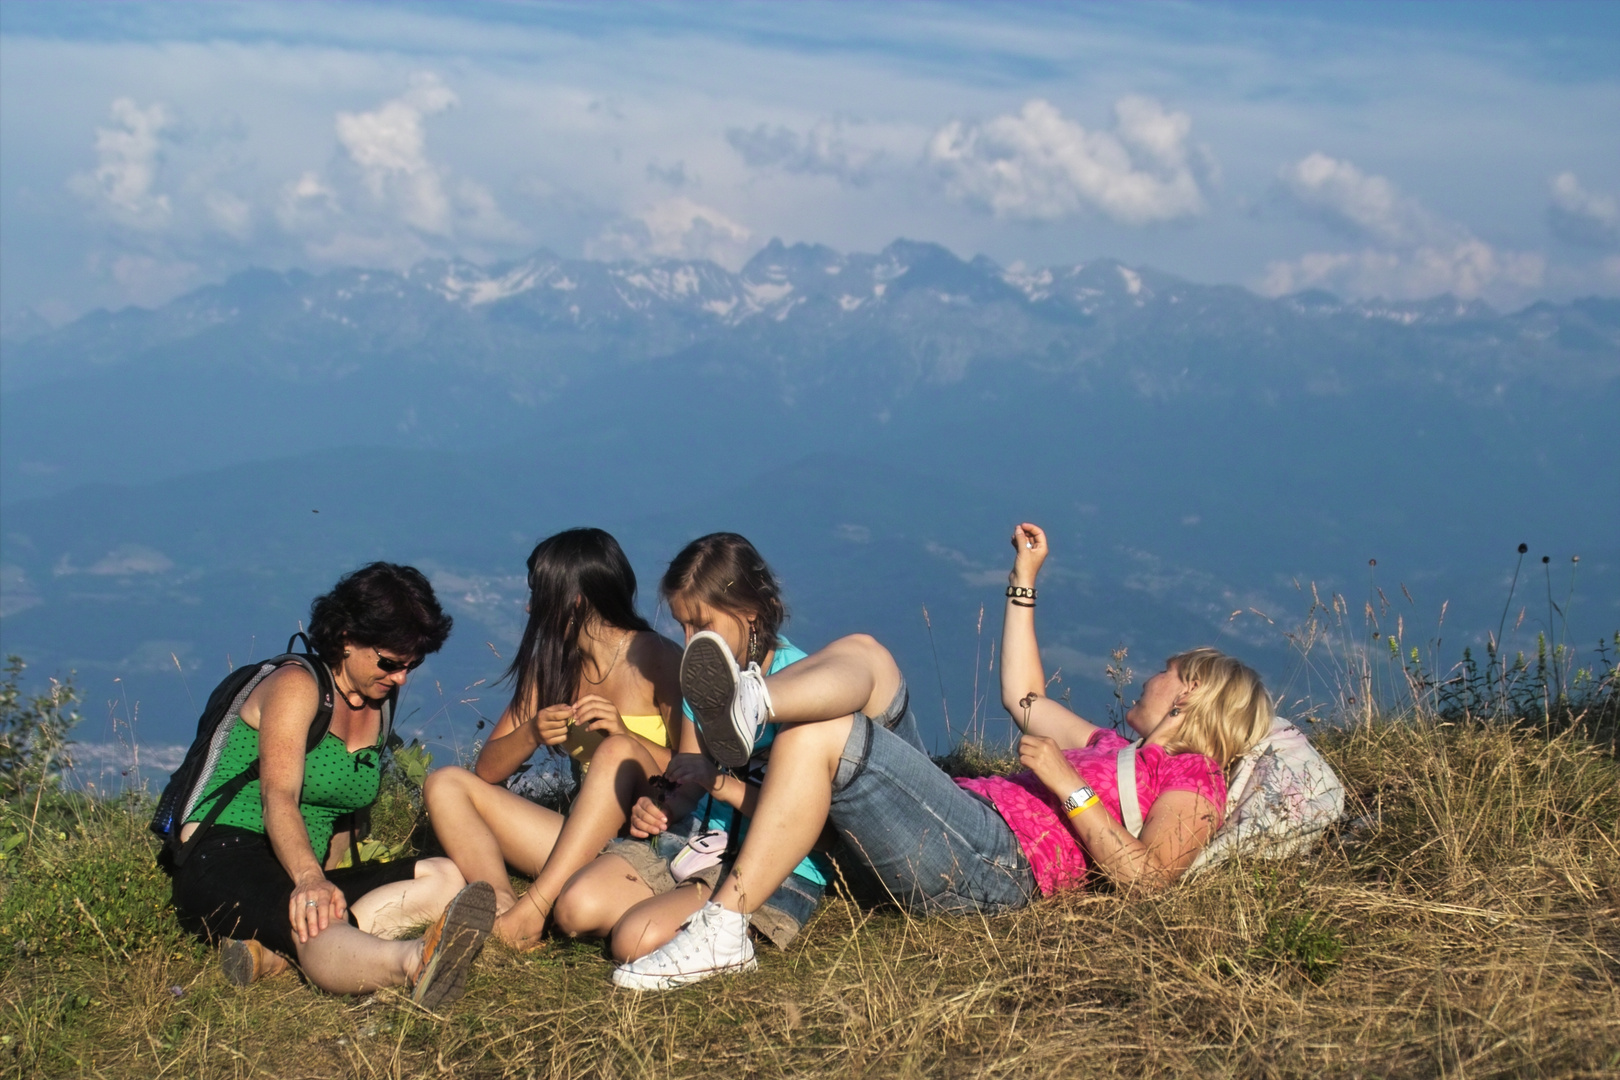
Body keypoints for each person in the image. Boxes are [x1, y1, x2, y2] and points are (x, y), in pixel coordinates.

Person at [609, 522, 1273, 991]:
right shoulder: (1114, 746)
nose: (1152, 675)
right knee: (865, 652)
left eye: (1167, 671)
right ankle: (754, 703)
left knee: (823, 732)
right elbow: (1025, 696)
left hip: (996, 865)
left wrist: (1070, 787)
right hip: (955, 822)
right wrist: (1023, 581)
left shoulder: (1193, 774)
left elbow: (1151, 879)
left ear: (1188, 699)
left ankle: (723, 927)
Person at [550, 532, 928, 963]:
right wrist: (663, 805)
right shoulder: (703, 679)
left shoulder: (807, 686)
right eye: (682, 625)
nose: (691, 640)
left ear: (750, 614)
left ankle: (708, 929)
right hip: (692, 840)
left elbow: (821, 836)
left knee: (632, 941)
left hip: (769, 865)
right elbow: (689, 779)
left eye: (703, 625)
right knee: (574, 910)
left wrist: (721, 785)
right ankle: (666, 909)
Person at [171, 563, 495, 1007]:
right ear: (346, 638)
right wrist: (310, 881)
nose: (401, 677)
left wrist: (328, 880)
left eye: (411, 664)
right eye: (390, 662)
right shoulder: (296, 685)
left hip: (303, 866)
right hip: (228, 854)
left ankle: (280, 954)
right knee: (315, 915)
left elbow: (345, 815)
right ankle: (414, 963)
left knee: (443, 876)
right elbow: (277, 797)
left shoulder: (379, 699)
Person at [423, 528, 680, 949]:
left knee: (617, 753)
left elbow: (695, 774)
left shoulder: (659, 660)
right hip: (582, 844)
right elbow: (487, 770)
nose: (529, 606)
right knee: (444, 783)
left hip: (653, 842)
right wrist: (532, 732)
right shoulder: (554, 667)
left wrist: (626, 736)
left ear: (574, 600)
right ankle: (504, 905)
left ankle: (534, 911)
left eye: (537, 594)